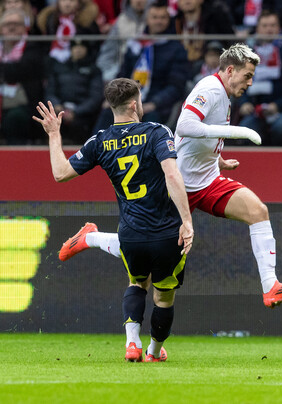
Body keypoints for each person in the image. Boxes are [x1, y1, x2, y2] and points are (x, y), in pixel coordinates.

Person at [59, 44, 282, 309]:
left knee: (258, 211)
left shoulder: (223, 93)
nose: (250, 82)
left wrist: (216, 157)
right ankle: (89, 238)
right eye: (247, 75)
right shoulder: (209, 89)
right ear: (230, 70)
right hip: (179, 186)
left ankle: (271, 288)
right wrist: (240, 132)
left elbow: (198, 136)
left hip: (207, 180)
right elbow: (185, 126)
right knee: (146, 246)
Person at [33, 78, 194, 362]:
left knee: (136, 285)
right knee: (163, 296)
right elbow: (172, 174)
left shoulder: (101, 140)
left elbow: (60, 173)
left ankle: (132, 344)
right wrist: (187, 221)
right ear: (134, 104)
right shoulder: (156, 132)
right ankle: (154, 352)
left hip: (130, 235)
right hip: (166, 233)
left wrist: (54, 134)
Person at [92, 1, 189, 131]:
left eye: (163, 18)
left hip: (157, 105)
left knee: (149, 122)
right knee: (107, 114)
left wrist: (154, 103)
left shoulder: (177, 49)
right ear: (147, 19)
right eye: (155, 17)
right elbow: (122, 75)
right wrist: (112, 98)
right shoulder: (135, 44)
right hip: (129, 100)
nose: (159, 21)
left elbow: (176, 86)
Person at [236, 10, 282, 146]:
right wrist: (244, 102)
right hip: (257, 110)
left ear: (278, 28)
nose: (269, 29)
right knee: (245, 132)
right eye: (264, 26)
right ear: (257, 28)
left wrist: (278, 105)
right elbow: (239, 82)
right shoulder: (248, 54)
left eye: (272, 25)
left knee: (281, 128)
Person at [0, 9, 47, 145]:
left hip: (24, 103)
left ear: (24, 27)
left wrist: (6, 70)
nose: (12, 27)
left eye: (16, 23)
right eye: (7, 24)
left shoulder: (33, 46)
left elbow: (22, 69)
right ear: (1, 28)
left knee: (15, 118)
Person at [45, 36, 103, 144]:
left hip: (82, 113)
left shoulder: (94, 70)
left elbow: (95, 97)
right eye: (75, 47)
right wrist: (56, 105)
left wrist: (76, 111)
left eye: (82, 47)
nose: (78, 49)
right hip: (59, 110)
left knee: (79, 126)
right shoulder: (59, 68)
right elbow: (50, 91)